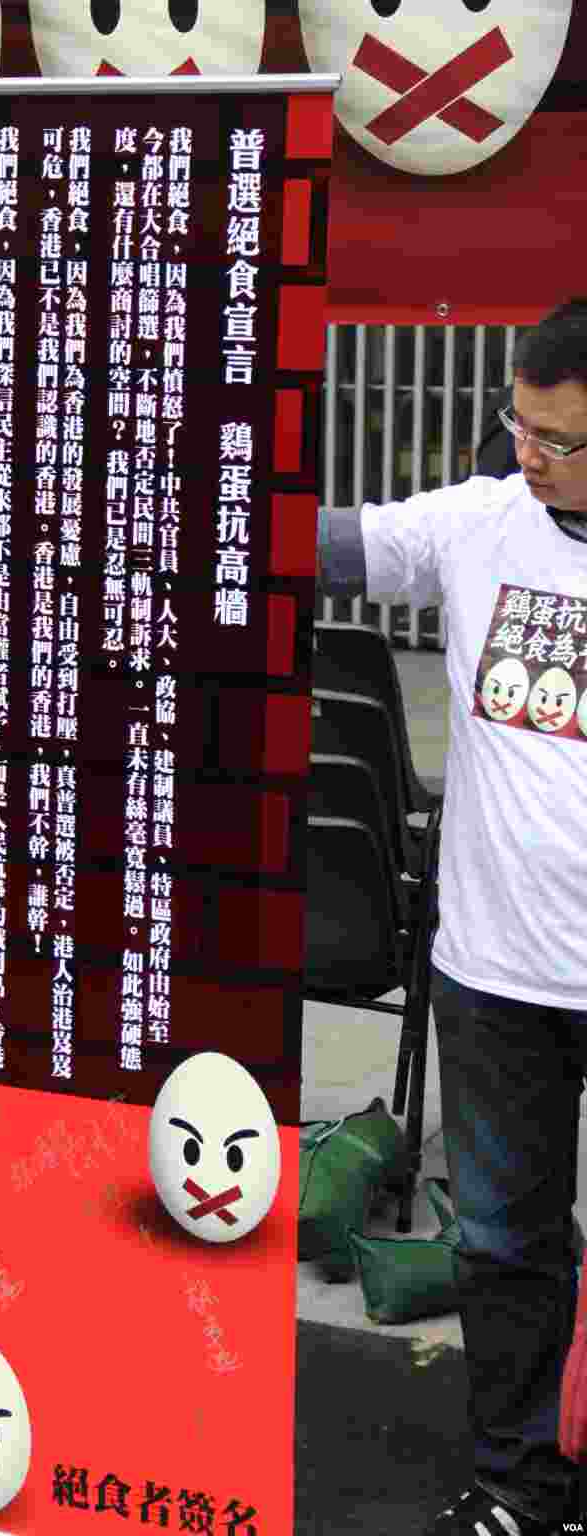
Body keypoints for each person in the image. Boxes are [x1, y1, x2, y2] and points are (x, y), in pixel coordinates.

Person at [318, 298, 587, 1536]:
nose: (526, 455)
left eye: (556, 439)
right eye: (515, 427)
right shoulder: (481, 525)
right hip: (495, 977)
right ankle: (520, 1487)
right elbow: (326, 545)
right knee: (503, 1246)